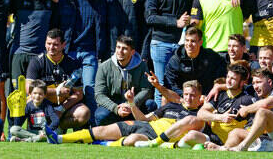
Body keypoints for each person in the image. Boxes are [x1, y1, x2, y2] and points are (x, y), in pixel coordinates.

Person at [46, 80, 203, 147]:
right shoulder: (171, 107)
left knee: (131, 141)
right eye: (186, 94)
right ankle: (58, 138)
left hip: (153, 138)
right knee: (101, 130)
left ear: (200, 98)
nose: (188, 98)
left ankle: (105, 145)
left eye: (193, 95)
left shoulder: (198, 116)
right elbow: (144, 119)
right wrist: (131, 103)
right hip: (143, 125)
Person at [146, 0, 202, 107]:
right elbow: (149, 17)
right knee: (161, 85)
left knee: (184, 84)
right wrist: (175, 22)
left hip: (184, 44)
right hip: (161, 43)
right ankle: (159, 119)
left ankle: (179, 116)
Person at [57, 0, 108, 125]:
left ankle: (92, 127)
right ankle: (59, 125)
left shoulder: (99, 2)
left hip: (89, 53)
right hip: (68, 51)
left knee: (89, 89)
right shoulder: (64, 1)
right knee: (65, 89)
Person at [209, 68, 273, 152]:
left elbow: (266, 104)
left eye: (258, 82)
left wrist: (246, 109)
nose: (255, 86)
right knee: (235, 132)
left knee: (263, 112)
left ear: (270, 82)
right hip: (271, 139)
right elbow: (237, 85)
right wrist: (218, 86)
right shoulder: (256, 92)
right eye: (253, 83)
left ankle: (243, 147)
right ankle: (224, 149)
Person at [26, 29, 90, 130]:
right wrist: (56, 91)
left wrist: (61, 109)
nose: (51, 47)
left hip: (63, 108)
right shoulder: (36, 61)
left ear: (63, 45)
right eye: (49, 43)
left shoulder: (72, 63)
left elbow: (79, 94)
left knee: (84, 112)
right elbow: (29, 89)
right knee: (29, 100)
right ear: (45, 43)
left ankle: (58, 128)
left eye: (55, 44)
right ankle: (33, 128)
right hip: (43, 107)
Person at [10, 0, 59, 81]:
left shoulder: (51, 0)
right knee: (18, 94)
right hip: (19, 53)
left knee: (38, 94)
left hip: (40, 54)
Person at [94, 36, 154, 126]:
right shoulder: (104, 67)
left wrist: (131, 104)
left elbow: (146, 90)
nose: (120, 51)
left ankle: (143, 132)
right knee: (101, 115)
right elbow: (99, 95)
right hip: (114, 105)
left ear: (132, 52)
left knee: (151, 105)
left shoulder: (142, 66)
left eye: (124, 49)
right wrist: (116, 108)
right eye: (118, 47)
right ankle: (106, 136)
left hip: (134, 104)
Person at [198, 65, 255, 147]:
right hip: (214, 137)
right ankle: (173, 145)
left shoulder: (248, 99)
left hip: (235, 139)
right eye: (228, 77)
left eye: (233, 79)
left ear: (242, 82)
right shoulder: (219, 95)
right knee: (191, 135)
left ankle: (221, 148)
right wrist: (220, 117)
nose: (228, 81)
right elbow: (200, 114)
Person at [165, 26, 227, 98]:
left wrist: (216, 86)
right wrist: (184, 95)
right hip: (184, 97)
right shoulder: (176, 60)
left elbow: (223, 69)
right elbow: (170, 83)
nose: (189, 44)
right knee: (165, 98)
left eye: (193, 41)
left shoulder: (210, 56)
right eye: (187, 40)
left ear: (200, 42)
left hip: (206, 96)